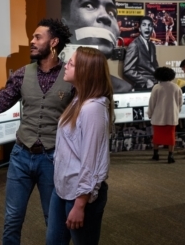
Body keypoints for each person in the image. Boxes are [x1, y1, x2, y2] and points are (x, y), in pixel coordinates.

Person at [0, 18, 73, 244]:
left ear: (54, 42)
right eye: (32, 37)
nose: (31, 41)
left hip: (53, 159)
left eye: (38, 37)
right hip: (21, 157)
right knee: (12, 219)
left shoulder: (71, 77)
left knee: (53, 219)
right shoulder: (22, 74)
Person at [46, 47, 113, 245]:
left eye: (72, 64)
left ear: (85, 71)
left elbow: (92, 162)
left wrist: (80, 204)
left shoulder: (93, 108)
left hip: (80, 196)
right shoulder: (78, 100)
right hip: (62, 190)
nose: (65, 65)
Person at [61, 0, 132, 93]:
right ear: (64, 24)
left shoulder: (123, 88)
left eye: (111, 12)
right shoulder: (53, 88)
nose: (105, 16)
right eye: (89, 5)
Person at [147, 67, 183, 163]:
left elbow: (152, 103)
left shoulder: (156, 87)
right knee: (171, 136)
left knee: (156, 136)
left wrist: (149, 114)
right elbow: (180, 102)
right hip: (171, 116)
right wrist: (176, 112)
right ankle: (170, 156)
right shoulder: (176, 87)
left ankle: (156, 154)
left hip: (158, 116)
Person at [124, 16, 159, 90]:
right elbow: (128, 70)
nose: (147, 27)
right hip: (144, 86)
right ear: (139, 29)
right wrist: (146, 81)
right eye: (144, 25)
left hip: (155, 84)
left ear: (152, 28)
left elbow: (154, 65)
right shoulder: (134, 45)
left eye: (150, 25)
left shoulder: (152, 45)